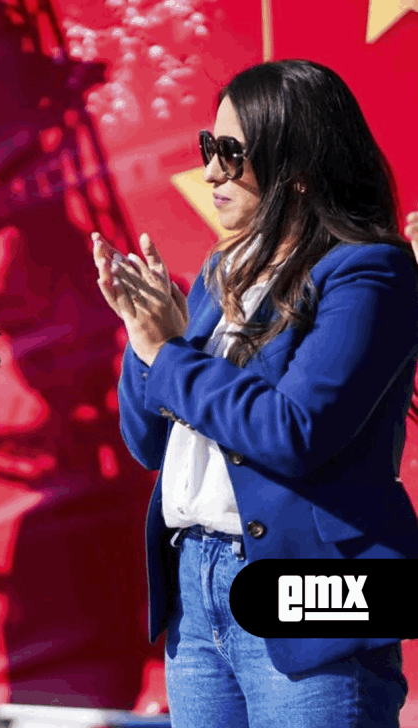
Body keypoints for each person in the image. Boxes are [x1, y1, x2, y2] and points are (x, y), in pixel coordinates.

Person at [95, 59, 418, 727]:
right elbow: (148, 440)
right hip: (197, 580)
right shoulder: (221, 267)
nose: (211, 170)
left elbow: (295, 431)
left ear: (297, 164)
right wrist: (142, 336)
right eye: (208, 148)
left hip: (314, 585)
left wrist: (170, 353)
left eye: (231, 152)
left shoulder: (369, 271)